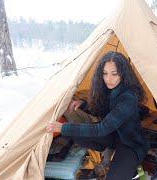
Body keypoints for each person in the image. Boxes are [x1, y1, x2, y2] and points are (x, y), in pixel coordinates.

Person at [46, 51, 149, 180]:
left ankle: (132, 170)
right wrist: (83, 104)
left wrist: (62, 127)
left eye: (114, 74)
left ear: (123, 74)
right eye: (105, 74)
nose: (108, 79)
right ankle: (109, 152)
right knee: (74, 133)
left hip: (130, 143)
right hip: (115, 135)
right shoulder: (110, 89)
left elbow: (102, 128)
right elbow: (102, 110)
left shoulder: (128, 97)